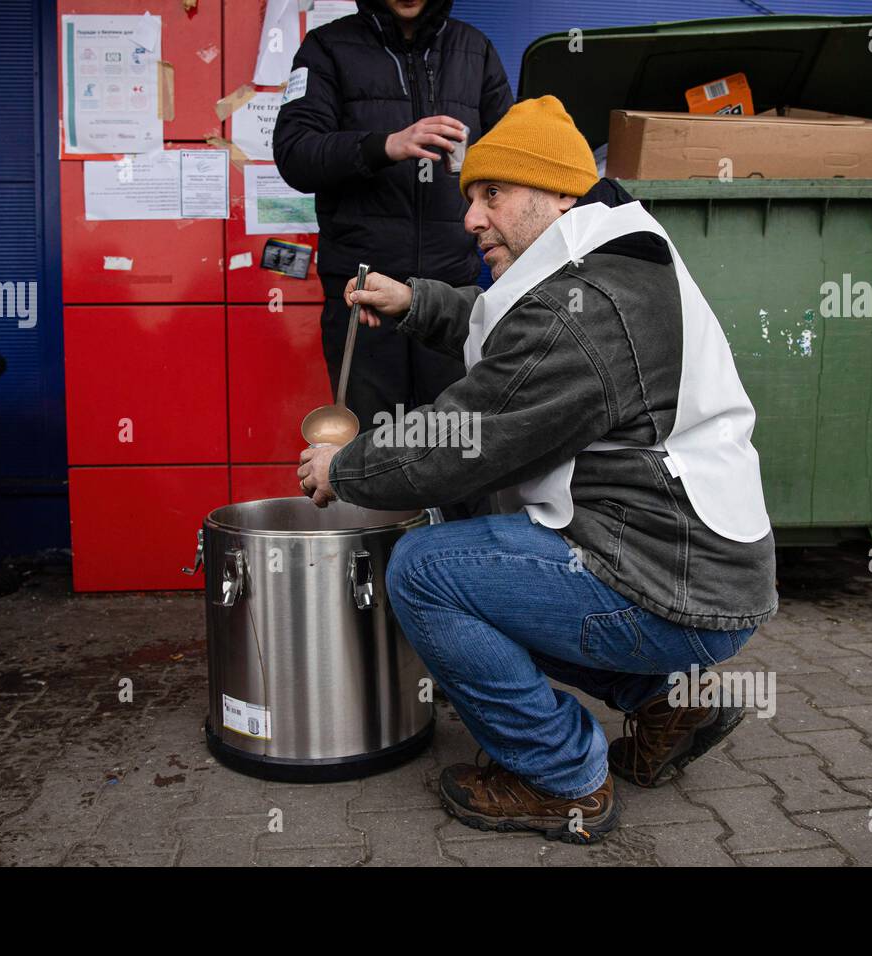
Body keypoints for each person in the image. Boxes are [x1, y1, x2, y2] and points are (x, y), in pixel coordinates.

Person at [297, 96, 778, 844]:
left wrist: (348, 468)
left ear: (557, 193)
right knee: (499, 559)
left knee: (426, 570)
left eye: (492, 194)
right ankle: (668, 705)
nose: (471, 219)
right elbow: (510, 333)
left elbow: (465, 435)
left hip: (667, 582)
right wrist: (417, 301)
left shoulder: (583, 309)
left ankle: (561, 779)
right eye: (470, 198)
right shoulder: (611, 257)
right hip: (697, 574)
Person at [273, 0, 512, 470]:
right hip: (364, 297)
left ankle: (451, 546)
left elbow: (511, 155)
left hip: (453, 294)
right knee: (371, 451)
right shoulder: (327, 47)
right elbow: (295, 153)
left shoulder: (474, 50)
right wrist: (386, 145)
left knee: (458, 450)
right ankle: (383, 544)